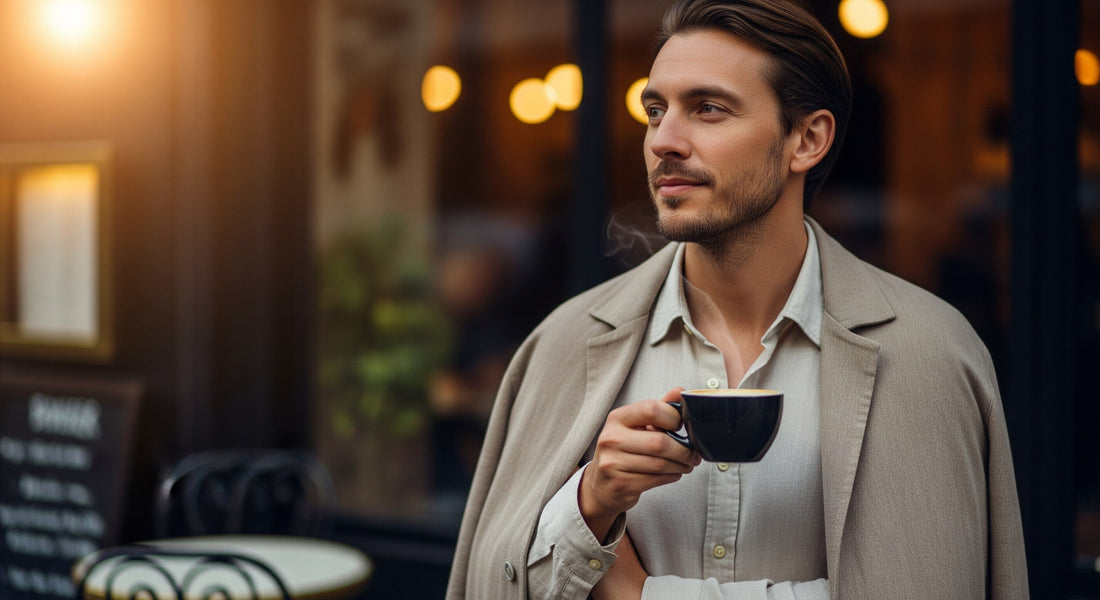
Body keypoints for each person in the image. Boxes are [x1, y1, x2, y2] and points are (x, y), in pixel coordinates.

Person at [445, 0, 1029, 598]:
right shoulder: (564, 341)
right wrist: (588, 505)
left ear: (807, 139)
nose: (663, 141)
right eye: (656, 110)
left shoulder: (927, 352)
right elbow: (491, 584)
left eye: (709, 109)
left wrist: (640, 594)